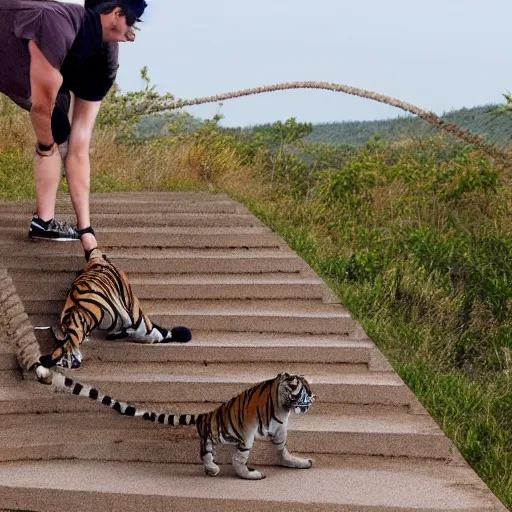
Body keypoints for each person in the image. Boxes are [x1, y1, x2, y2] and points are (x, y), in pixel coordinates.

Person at [0, 0, 147, 257]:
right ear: (116, 14)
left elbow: (79, 148)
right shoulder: (53, 25)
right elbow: (40, 108)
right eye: (130, 24)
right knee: (51, 131)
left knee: (61, 130)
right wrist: (47, 144)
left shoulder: (104, 67)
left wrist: (86, 230)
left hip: (33, 70)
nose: (131, 35)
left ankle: (44, 224)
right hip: (18, 53)